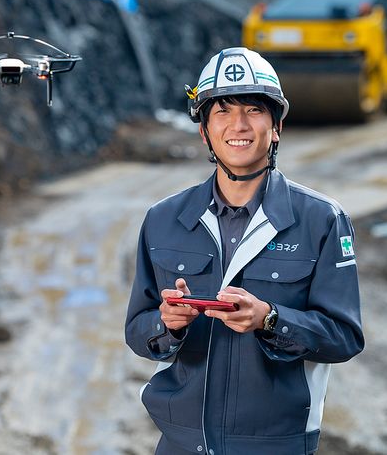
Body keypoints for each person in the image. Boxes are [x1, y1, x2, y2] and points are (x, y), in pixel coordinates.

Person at [124, 47, 364, 455]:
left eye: (254, 110)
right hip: (181, 445)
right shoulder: (163, 219)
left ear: (276, 127)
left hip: (274, 445)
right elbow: (136, 329)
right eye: (222, 111)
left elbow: (345, 338)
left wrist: (270, 319)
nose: (239, 125)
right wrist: (168, 324)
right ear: (204, 131)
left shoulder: (322, 220)